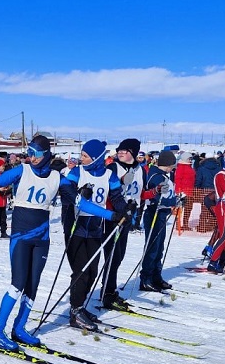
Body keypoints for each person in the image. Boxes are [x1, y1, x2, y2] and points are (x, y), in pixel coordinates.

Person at [0, 135, 62, 351]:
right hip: (21, 237)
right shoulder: (22, 170)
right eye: (29, 153)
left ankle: (19, 328)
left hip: (42, 240)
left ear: (46, 154)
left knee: (32, 285)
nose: (32, 157)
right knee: (18, 283)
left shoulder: (57, 177)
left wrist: (112, 214)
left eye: (36, 154)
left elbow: (78, 199)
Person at [58, 140, 129, 331]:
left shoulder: (109, 175)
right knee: (81, 271)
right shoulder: (77, 172)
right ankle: (75, 311)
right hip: (76, 228)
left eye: (85, 156)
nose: (81, 159)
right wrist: (78, 193)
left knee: (92, 272)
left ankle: (79, 306)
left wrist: (125, 210)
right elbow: (65, 190)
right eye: (81, 155)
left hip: (96, 229)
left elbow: (116, 197)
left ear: (96, 158)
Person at [99, 138, 142, 310]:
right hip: (113, 218)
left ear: (134, 153)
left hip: (127, 217)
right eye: (119, 150)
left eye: (125, 150)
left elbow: (140, 192)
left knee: (119, 256)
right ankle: (107, 293)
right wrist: (122, 180)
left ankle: (109, 290)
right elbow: (108, 192)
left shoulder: (140, 169)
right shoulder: (113, 168)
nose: (121, 153)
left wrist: (155, 192)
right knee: (112, 256)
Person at [139, 150, 180, 289]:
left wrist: (176, 199)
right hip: (154, 214)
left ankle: (156, 277)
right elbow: (155, 198)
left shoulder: (163, 175)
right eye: (172, 165)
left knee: (159, 247)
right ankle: (146, 279)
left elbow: (167, 195)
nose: (173, 168)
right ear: (167, 164)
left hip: (161, 214)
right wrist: (173, 202)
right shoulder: (156, 176)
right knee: (152, 247)